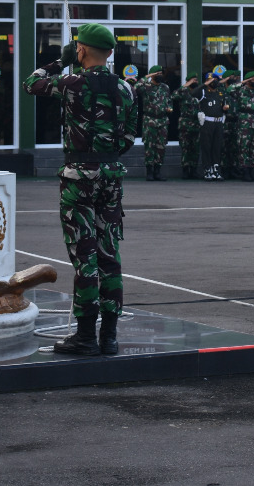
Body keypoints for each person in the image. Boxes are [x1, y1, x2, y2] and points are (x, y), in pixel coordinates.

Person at [23, 23, 138, 356]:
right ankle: (110, 337)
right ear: (111, 52)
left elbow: (31, 84)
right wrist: (106, 155)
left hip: (78, 179)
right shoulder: (126, 88)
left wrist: (60, 62)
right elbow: (130, 136)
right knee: (110, 258)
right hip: (111, 177)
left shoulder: (71, 82)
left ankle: (85, 336)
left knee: (85, 260)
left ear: (81, 50)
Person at [136, 65, 173, 182]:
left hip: (162, 121)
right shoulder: (146, 87)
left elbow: (169, 101)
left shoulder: (165, 87)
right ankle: (149, 172)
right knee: (150, 146)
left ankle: (157, 172)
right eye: (157, 73)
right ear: (152, 75)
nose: (160, 75)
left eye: (161, 73)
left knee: (161, 147)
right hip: (150, 120)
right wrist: (147, 77)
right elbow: (134, 88)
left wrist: (169, 108)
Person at [197, 70, 230, 180]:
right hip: (207, 123)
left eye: (214, 80)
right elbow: (192, 93)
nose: (213, 82)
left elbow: (224, 108)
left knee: (217, 147)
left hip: (218, 123)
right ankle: (207, 169)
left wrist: (225, 110)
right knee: (207, 147)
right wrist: (204, 85)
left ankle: (216, 169)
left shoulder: (220, 93)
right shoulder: (203, 93)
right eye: (210, 80)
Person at [173, 76, 201, 179]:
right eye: (193, 80)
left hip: (196, 123)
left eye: (196, 80)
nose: (195, 82)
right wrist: (185, 85)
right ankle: (185, 170)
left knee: (195, 148)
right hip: (185, 123)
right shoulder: (183, 92)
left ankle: (194, 170)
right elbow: (174, 96)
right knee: (186, 148)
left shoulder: (199, 92)